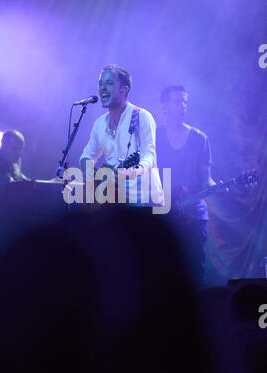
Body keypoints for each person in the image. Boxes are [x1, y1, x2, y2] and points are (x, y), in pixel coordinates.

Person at [156, 85, 216, 286]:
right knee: (161, 275)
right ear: (164, 107)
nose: (183, 107)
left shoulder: (200, 139)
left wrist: (219, 188)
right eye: (177, 102)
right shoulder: (153, 138)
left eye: (185, 102)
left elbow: (206, 180)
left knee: (195, 275)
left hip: (194, 216)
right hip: (163, 215)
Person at [79, 64, 163, 207]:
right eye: (100, 84)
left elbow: (149, 155)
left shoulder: (142, 117)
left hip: (145, 203)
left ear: (124, 89)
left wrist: (134, 171)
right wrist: (93, 177)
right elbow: (87, 155)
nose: (102, 88)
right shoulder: (99, 124)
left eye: (109, 83)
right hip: (116, 202)